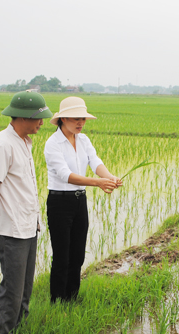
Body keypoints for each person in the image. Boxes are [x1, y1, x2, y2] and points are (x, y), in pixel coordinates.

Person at [0, 90, 52, 334]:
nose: (42, 123)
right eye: (38, 118)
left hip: (28, 226)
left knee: (25, 288)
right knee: (12, 288)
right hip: (11, 230)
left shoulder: (24, 141)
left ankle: (20, 331)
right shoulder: (3, 144)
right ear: (22, 117)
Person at [44, 97, 122, 303]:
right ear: (63, 119)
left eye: (83, 119)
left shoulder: (83, 140)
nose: (81, 123)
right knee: (62, 256)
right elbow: (64, 174)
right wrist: (98, 183)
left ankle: (72, 298)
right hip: (59, 202)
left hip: (79, 201)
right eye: (76, 119)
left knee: (77, 255)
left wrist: (110, 177)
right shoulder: (53, 144)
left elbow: (96, 162)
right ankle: (57, 302)